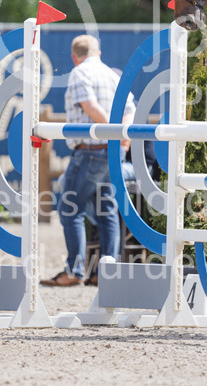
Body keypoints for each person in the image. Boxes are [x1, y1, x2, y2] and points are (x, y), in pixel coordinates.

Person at [41, 34, 136, 287]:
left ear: (74, 57)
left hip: (90, 150)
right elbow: (130, 109)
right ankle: (106, 271)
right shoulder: (113, 76)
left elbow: (90, 106)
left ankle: (74, 270)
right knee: (107, 211)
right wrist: (122, 137)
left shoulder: (79, 73)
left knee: (70, 209)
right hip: (113, 154)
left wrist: (113, 132)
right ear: (99, 53)